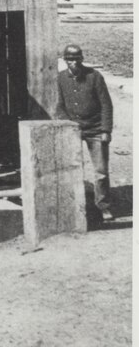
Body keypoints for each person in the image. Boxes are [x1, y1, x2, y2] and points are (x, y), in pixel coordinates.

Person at [56, 44, 115, 221]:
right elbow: (60, 105)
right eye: (69, 59)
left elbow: (106, 105)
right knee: (71, 168)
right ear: (65, 61)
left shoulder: (95, 77)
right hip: (74, 129)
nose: (73, 63)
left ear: (81, 59)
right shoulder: (61, 78)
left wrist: (106, 130)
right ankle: (74, 206)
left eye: (76, 59)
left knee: (101, 171)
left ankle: (103, 206)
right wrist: (67, 124)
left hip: (96, 129)